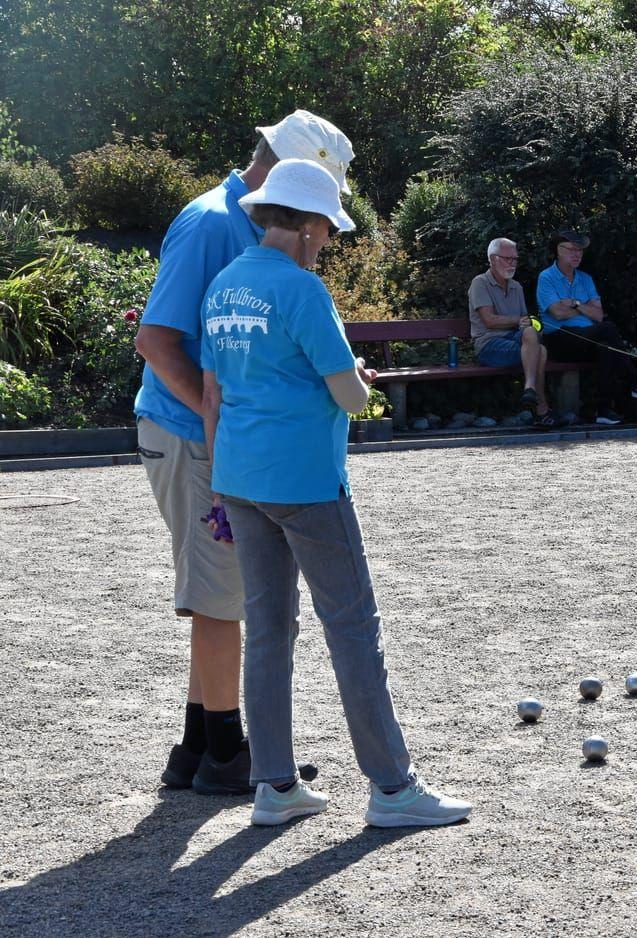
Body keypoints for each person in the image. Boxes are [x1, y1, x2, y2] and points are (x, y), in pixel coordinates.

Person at [200, 159, 472, 826]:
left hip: (239, 477)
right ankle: (392, 789)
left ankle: (274, 787)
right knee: (352, 629)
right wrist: (361, 378)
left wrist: (218, 483)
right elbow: (348, 395)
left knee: (266, 630)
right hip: (306, 480)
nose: (327, 240)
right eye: (326, 229)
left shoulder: (223, 285)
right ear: (307, 225)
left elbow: (213, 395)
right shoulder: (301, 289)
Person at [133, 109, 352, 794]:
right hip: (195, 433)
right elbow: (157, 341)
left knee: (214, 595)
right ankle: (229, 753)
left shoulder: (244, 222)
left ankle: (199, 744)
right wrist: (216, 434)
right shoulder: (210, 221)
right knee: (223, 597)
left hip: (211, 433)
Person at [536, 231, 637, 425]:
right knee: (608, 329)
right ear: (558, 251)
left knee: (606, 349)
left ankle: (601, 410)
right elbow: (557, 313)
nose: (577, 254)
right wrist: (586, 309)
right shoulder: (546, 277)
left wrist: (575, 303)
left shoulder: (585, 279)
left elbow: (598, 315)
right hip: (561, 339)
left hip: (588, 338)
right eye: (572, 250)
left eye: (580, 251)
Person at [469, 237, 558, 426]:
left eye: (515, 259)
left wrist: (527, 324)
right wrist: (519, 321)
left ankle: (530, 389)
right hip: (488, 344)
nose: (512, 263)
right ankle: (541, 410)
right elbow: (490, 321)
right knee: (540, 352)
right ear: (493, 259)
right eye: (507, 258)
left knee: (531, 334)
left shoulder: (517, 286)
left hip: (515, 339)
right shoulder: (480, 283)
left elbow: (524, 325)